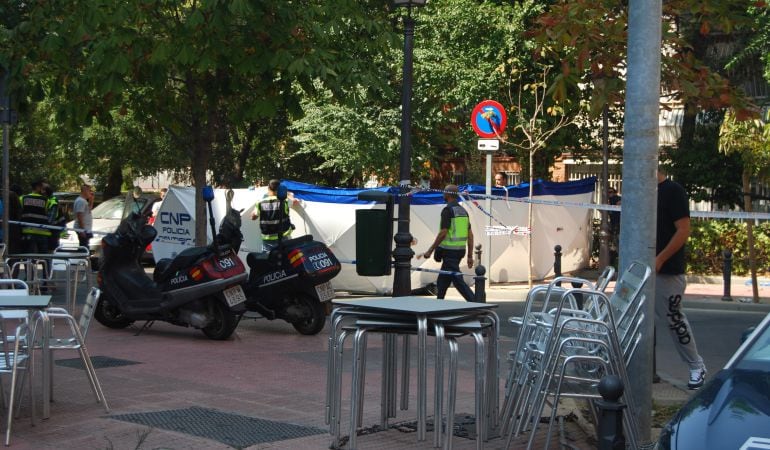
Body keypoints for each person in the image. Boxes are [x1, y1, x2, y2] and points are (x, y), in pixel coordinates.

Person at [656, 166, 706, 389]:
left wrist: (660, 258)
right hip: (640, 270)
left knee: (674, 319)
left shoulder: (672, 191)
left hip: (667, 271)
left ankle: (696, 365)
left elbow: (683, 230)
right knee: (625, 314)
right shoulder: (640, 193)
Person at [422, 184, 476, 302]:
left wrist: (430, 250)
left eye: (443, 192)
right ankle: (439, 302)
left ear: (447, 194)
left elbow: (443, 232)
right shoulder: (463, 211)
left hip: (449, 252)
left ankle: (476, 302)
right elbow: (470, 235)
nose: (442, 194)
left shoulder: (447, 210)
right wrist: (470, 255)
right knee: (443, 278)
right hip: (460, 251)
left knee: (457, 279)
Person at [250, 179, 295, 251]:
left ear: (268, 188)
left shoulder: (260, 202)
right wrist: (288, 194)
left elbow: (253, 217)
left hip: (268, 239)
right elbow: (294, 201)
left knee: (268, 260)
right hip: (283, 237)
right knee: (284, 259)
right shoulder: (285, 201)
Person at [19, 180, 52, 253]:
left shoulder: (23, 198)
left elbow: (19, 213)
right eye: (42, 188)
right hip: (42, 232)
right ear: (37, 187)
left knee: (28, 257)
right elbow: (49, 215)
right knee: (45, 257)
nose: (43, 190)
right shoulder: (46, 200)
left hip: (27, 231)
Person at [73, 184, 94, 250]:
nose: (91, 192)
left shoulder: (84, 201)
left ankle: (82, 258)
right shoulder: (81, 201)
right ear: (85, 191)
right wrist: (82, 230)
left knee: (84, 246)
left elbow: (89, 210)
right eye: (89, 190)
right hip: (82, 229)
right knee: (84, 248)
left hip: (86, 229)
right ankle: (82, 259)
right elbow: (79, 216)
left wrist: (91, 200)